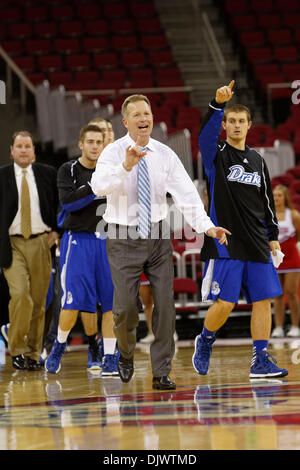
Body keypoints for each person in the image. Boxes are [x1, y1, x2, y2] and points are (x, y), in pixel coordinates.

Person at [90, 94, 230, 390]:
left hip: (157, 232)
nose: (144, 119)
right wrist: (126, 166)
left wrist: (207, 227)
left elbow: (186, 195)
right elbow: (99, 187)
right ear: (125, 122)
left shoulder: (165, 154)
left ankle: (161, 371)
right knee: (126, 306)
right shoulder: (113, 153)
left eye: (147, 113)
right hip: (122, 233)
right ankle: (124, 354)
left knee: (165, 304)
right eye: (137, 115)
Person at [193, 80, 288, 379]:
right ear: (224, 125)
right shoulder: (216, 153)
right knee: (226, 303)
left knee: (264, 300)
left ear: (249, 125)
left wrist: (273, 237)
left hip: (257, 240)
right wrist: (217, 103)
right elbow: (203, 138)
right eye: (230, 121)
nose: (236, 125)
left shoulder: (258, 160)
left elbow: (267, 202)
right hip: (226, 239)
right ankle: (205, 340)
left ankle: (260, 360)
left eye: (241, 121)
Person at [45, 124, 119, 375]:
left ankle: (109, 355)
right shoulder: (68, 170)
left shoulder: (111, 169)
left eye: (99, 142)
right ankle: (58, 346)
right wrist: (95, 188)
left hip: (107, 240)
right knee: (72, 301)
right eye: (90, 142)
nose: (95, 146)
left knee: (109, 303)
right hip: (77, 241)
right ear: (81, 144)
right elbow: (69, 203)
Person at [0, 131, 60, 370]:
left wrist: (57, 230)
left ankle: (34, 354)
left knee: (38, 301)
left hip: (41, 242)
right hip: (12, 243)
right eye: (19, 146)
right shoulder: (2, 176)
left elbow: (59, 204)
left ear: (34, 152)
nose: (24, 150)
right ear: (12, 151)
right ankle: (16, 349)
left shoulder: (48, 174)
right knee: (21, 295)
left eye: (28, 146)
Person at [271, 185, 300, 338]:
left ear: (285, 197)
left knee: (291, 292)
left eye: (279, 195)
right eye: (274, 195)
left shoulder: (294, 215)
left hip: (292, 257)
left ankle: (295, 326)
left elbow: (298, 235)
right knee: (277, 294)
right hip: (276, 257)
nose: (276, 198)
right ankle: (278, 327)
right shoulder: (269, 215)